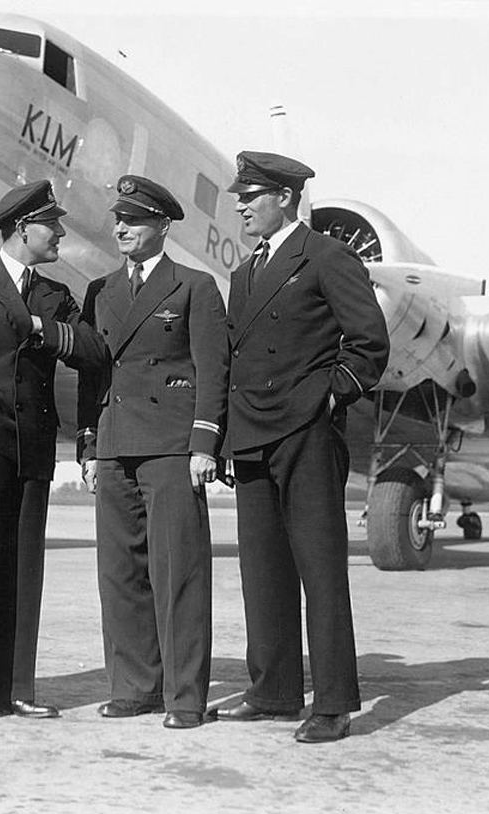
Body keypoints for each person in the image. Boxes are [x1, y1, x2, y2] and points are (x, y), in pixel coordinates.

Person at [215, 151, 389, 743]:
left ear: (285, 198)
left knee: (320, 571)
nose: (240, 205)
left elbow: (369, 344)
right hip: (252, 434)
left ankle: (335, 702)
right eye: (240, 195)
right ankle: (273, 694)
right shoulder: (244, 273)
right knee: (261, 570)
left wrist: (328, 397)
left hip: (306, 434)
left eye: (251, 195)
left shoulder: (327, 256)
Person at [0, 179, 106, 729]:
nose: (59, 234)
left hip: (32, 449)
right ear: (21, 229)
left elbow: (94, 350)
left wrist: (42, 330)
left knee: (22, 569)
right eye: (51, 226)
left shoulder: (55, 297)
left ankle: (12, 689)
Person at [76, 175, 229, 730]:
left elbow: (214, 371)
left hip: (170, 447)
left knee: (179, 574)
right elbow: (96, 373)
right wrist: (90, 445)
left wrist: (204, 444)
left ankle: (185, 697)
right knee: (119, 574)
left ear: (162, 226)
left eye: (135, 220)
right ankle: (133, 686)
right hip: (115, 446)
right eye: (118, 218)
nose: (121, 228)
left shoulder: (194, 286)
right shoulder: (100, 292)